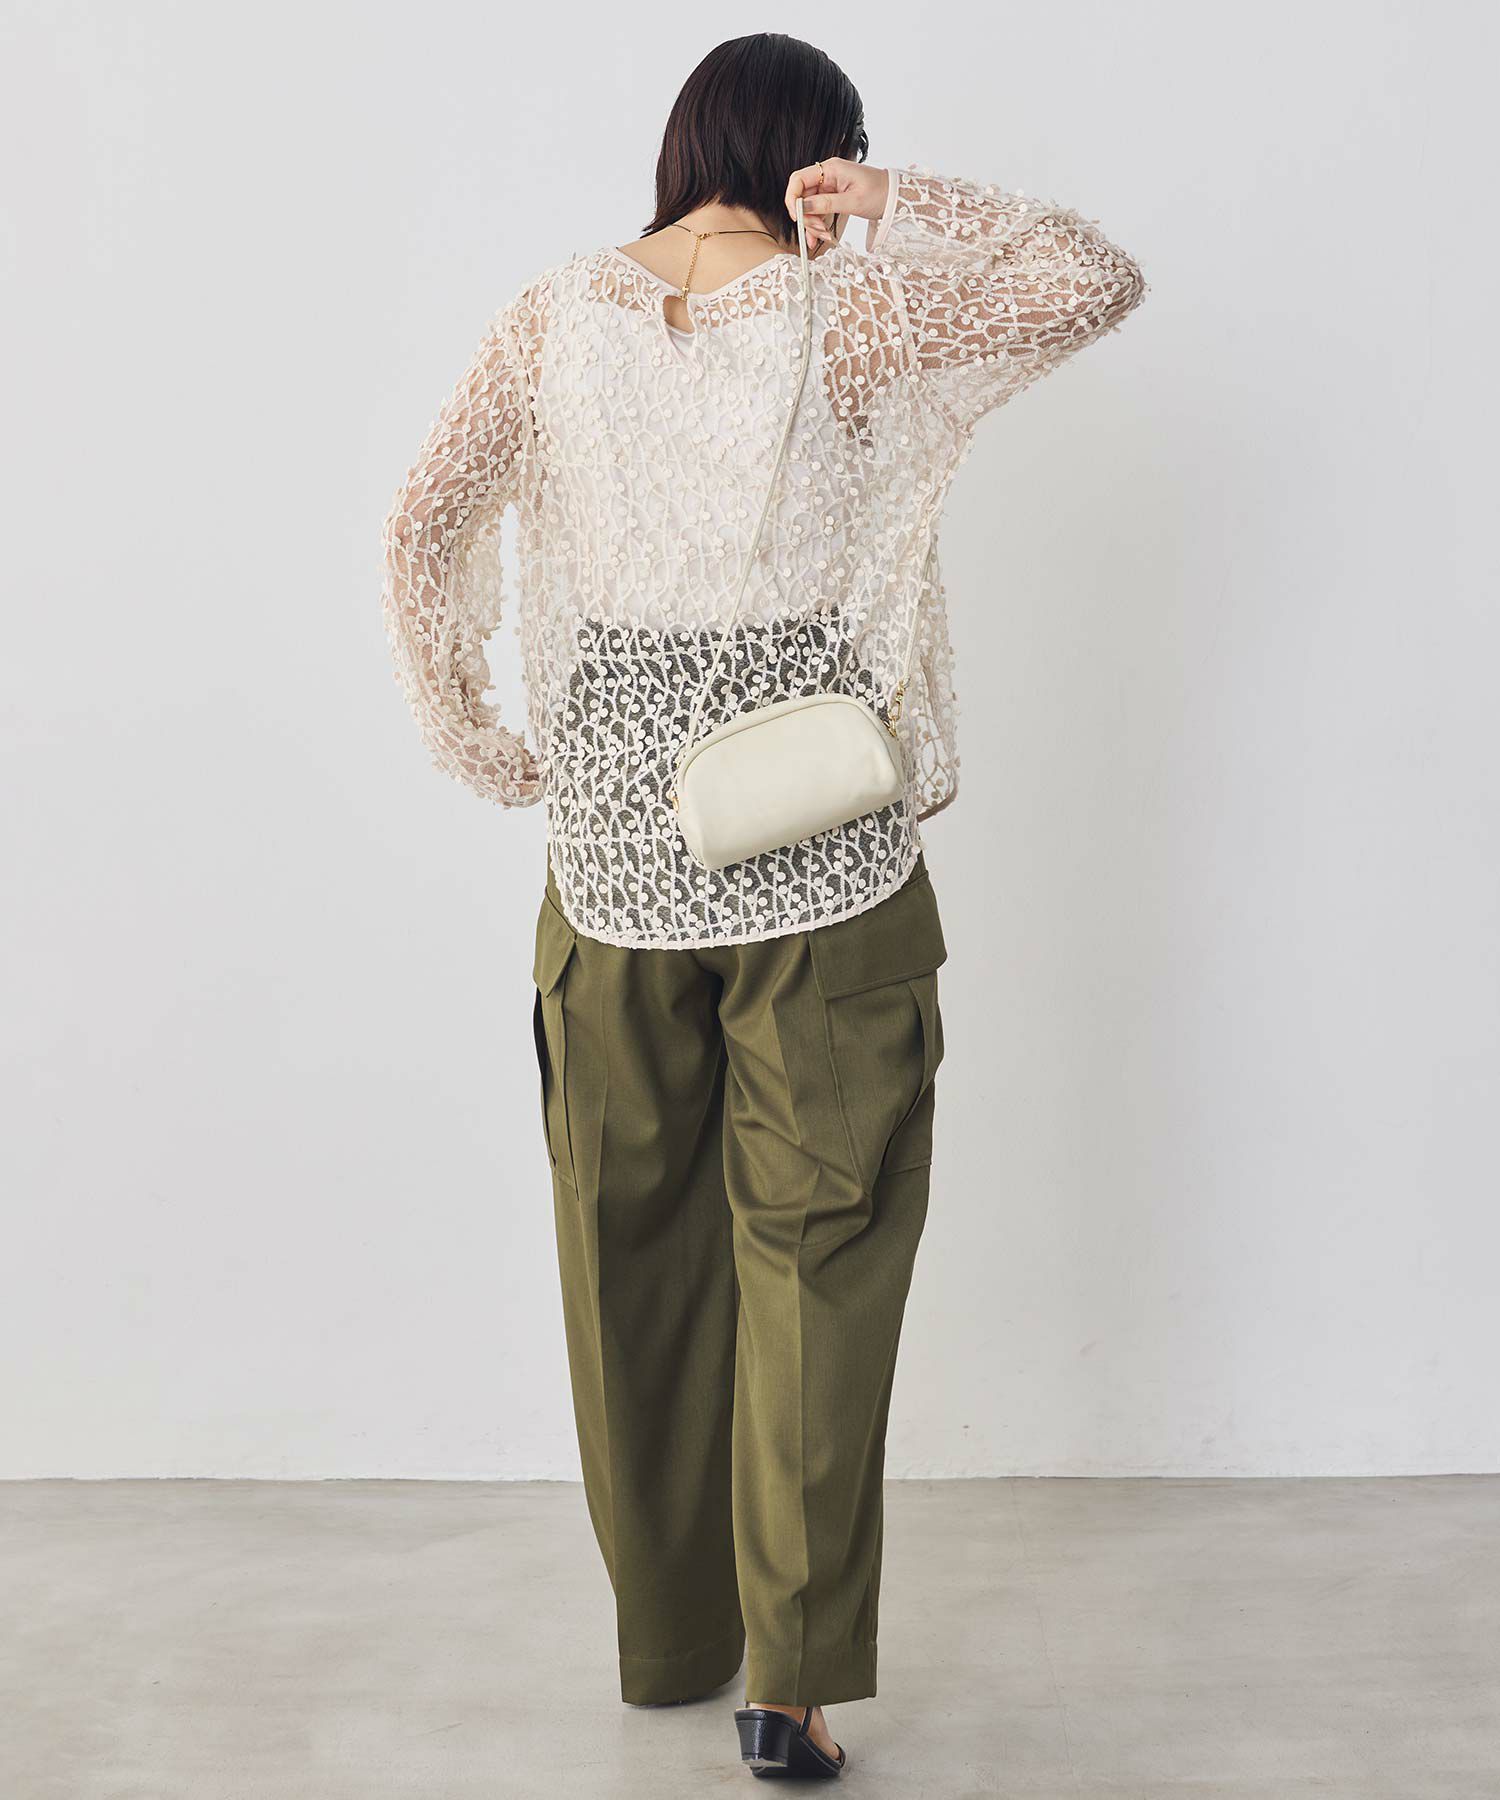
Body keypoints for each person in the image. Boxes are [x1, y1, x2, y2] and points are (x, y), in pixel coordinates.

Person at [382, 31, 1143, 1781]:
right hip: (823, 847)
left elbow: (424, 519)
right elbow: (1089, 280)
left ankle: (669, 1637)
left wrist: (476, 735)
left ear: (685, 143)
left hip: (613, 865)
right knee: (820, 1251)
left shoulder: (554, 318)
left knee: (626, 1255)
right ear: (816, 150)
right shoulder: (843, 314)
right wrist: (899, 204)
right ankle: (784, 1690)